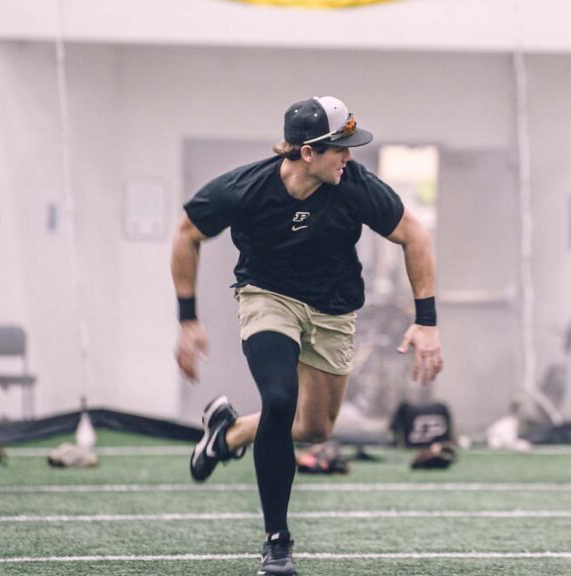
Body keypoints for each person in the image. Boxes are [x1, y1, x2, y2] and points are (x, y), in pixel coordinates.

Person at [172, 96, 443, 575]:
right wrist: (188, 319)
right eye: (339, 148)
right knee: (279, 400)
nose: (350, 157)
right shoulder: (247, 188)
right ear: (305, 152)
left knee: (314, 429)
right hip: (267, 295)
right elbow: (186, 232)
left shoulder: (353, 185)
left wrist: (426, 323)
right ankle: (276, 541)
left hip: (333, 308)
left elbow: (413, 235)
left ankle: (230, 431)